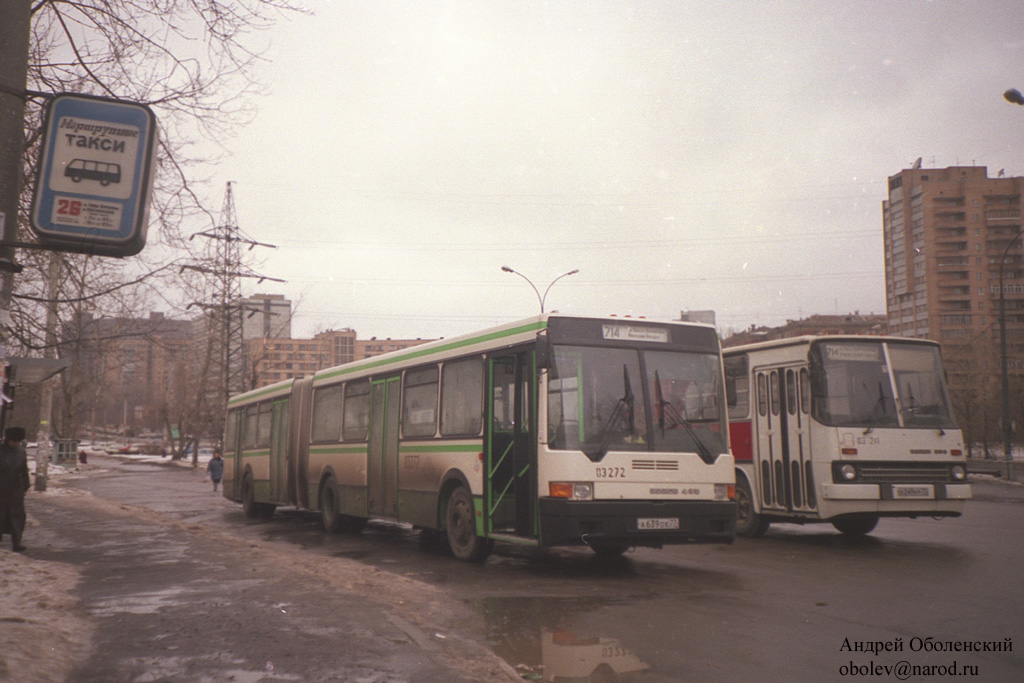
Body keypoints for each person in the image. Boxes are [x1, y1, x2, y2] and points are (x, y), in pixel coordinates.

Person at [0, 426, 30, 552]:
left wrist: (25, 486)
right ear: (8, 440)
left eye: (18, 441)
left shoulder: (21, 452)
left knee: (17, 516)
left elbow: (24, 470)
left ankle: (16, 542)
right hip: (1, 488)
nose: (16, 444)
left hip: (16, 489)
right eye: (14, 441)